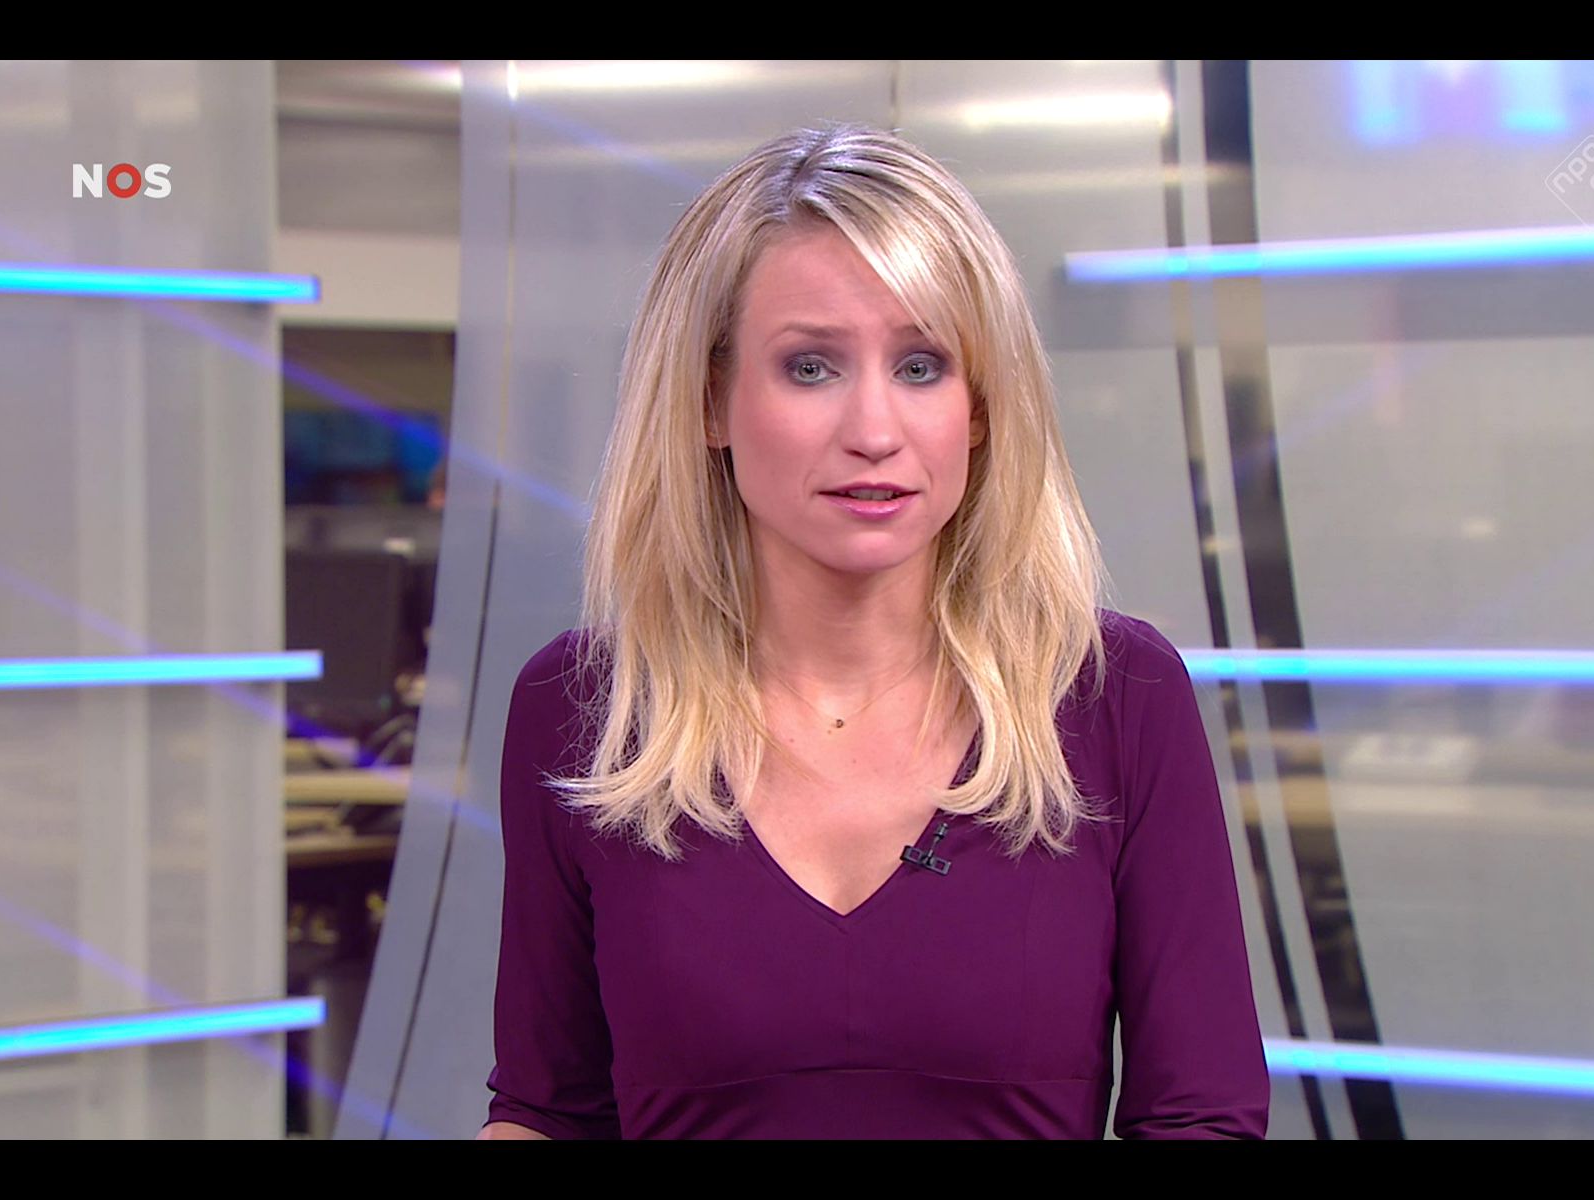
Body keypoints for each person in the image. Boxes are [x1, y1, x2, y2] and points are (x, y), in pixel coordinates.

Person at [478, 124, 1268, 1140]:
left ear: (980, 406)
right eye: (811, 367)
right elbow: (548, 1112)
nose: (875, 431)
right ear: (711, 401)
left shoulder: (1117, 696)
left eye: (922, 365)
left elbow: (1202, 1118)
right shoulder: (585, 709)